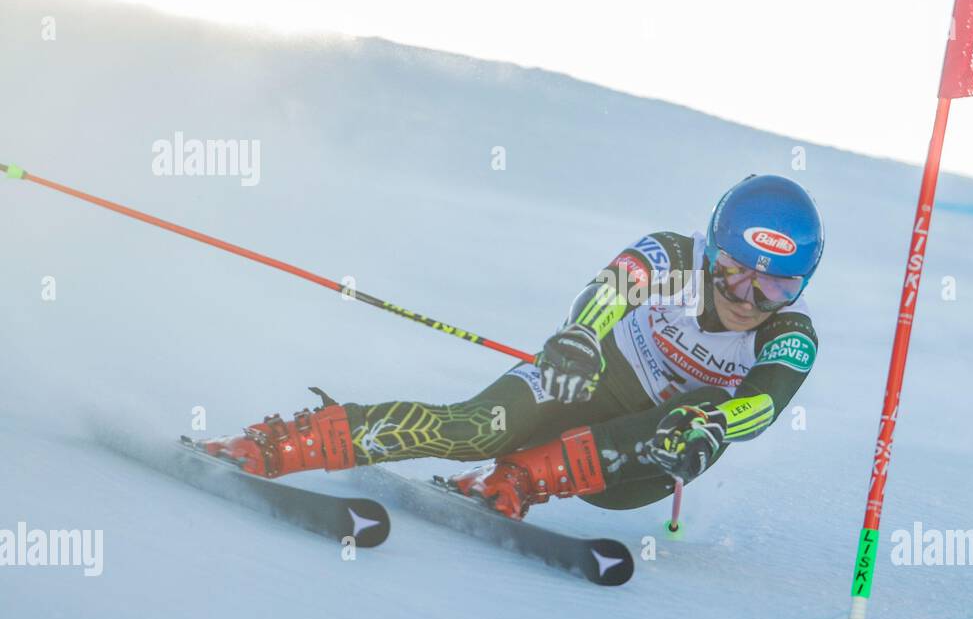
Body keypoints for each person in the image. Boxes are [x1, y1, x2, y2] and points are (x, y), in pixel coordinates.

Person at [200, 173, 824, 519]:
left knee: (689, 426)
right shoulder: (674, 257)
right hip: (587, 379)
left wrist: (714, 425)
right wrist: (580, 337)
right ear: (711, 249)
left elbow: (763, 405)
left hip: (646, 441)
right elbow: (612, 286)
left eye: (776, 283)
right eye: (736, 270)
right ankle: (283, 443)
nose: (748, 296)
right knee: (475, 427)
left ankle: (518, 480)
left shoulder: (787, 333)